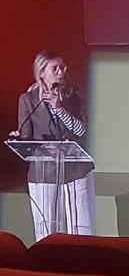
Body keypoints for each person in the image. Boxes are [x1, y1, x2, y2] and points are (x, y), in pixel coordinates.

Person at [9, 51, 96, 240]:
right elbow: (27, 136)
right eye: (54, 68)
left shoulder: (74, 94)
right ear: (42, 73)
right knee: (47, 231)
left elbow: (82, 131)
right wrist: (18, 138)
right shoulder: (28, 99)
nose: (61, 72)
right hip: (44, 173)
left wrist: (60, 109)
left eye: (62, 67)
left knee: (82, 229)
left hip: (76, 170)